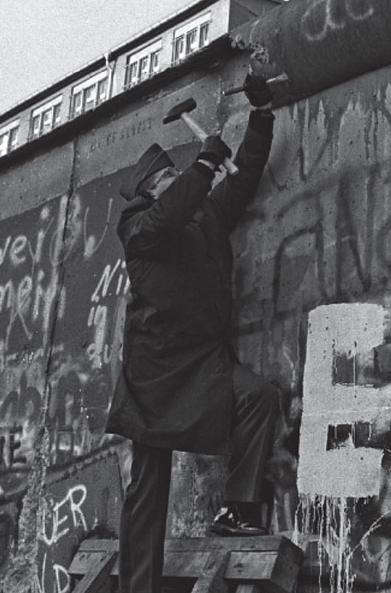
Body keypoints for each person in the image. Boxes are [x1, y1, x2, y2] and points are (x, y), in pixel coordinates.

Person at [106, 74, 281, 593]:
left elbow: (244, 176)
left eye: (174, 176)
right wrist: (204, 163)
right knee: (147, 491)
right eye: (166, 179)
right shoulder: (138, 230)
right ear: (149, 191)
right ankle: (140, 586)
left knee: (259, 398)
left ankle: (237, 509)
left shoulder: (202, 216)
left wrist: (262, 114)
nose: (174, 182)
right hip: (155, 377)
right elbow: (169, 213)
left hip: (204, 365)